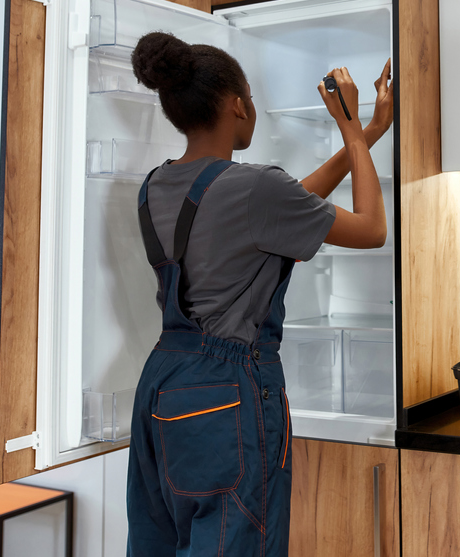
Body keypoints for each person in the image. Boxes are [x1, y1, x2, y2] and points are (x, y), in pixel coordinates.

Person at [125, 32, 392, 556]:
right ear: (236, 105)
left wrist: (369, 133)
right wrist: (351, 127)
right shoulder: (252, 187)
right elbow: (370, 229)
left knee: (158, 542)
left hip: (163, 381)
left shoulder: (156, 184)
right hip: (228, 384)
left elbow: (285, 207)